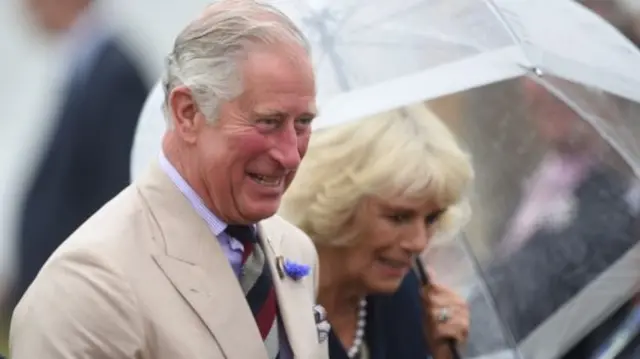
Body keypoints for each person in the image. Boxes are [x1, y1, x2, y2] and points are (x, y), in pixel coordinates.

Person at [10, 1, 326, 358]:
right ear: (187, 113)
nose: (290, 154)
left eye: (303, 123)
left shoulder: (294, 251)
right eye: (268, 122)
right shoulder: (88, 288)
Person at [278, 104, 475, 359]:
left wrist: (442, 353)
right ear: (340, 204)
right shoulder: (266, 309)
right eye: (399, 217)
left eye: (432, 218)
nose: (419, 242)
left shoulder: (409, 298)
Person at [465, 79, 640, 358]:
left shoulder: (615, 193)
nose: (540, 95)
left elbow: (560, 292)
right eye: (537, 99)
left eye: (559, 98)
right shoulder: (537, 181)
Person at [13, 0, 148, 303]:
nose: (25, 7)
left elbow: (116, 196)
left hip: (82, 294)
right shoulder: (83, 68)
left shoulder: (115, 74)